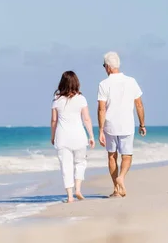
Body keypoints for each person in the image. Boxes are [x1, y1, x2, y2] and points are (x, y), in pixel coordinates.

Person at [97, 52, 146, 198]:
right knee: (127, 155)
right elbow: (139, 104)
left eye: (104, 66)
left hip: (110, 125)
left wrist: (100, 130)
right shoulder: (131, 81)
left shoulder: (103, 84)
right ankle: (122, 177)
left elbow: (101, 109)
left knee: (112, 156)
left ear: (108, 67)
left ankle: (116, 190)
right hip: (127, 124)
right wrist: (142, 124)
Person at [51, 71, 95, 202]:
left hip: (62, 137)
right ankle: (78, 190)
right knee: (80, 163)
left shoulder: (56, 100)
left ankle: (70, 196)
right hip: (79, 137)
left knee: (66, 166)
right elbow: (86, 119)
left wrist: (52, 136)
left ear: (62, 83)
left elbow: (54, 121)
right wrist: (91, 136)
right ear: (76, 83)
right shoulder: (81, 99)